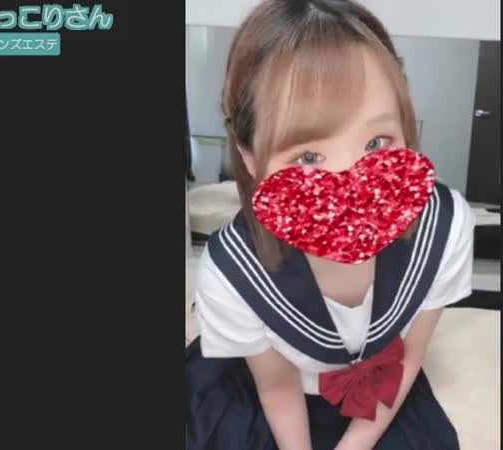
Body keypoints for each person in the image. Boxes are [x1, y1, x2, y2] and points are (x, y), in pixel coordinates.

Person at [185, 1, 475, 449]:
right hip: (272, 400)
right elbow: (277, 388)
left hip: (381, 401)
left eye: (376, 142)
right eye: (308, 156)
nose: (351, 187)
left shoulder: (444, 227)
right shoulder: (231, 271)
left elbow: (409, 356)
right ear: (250, 158)